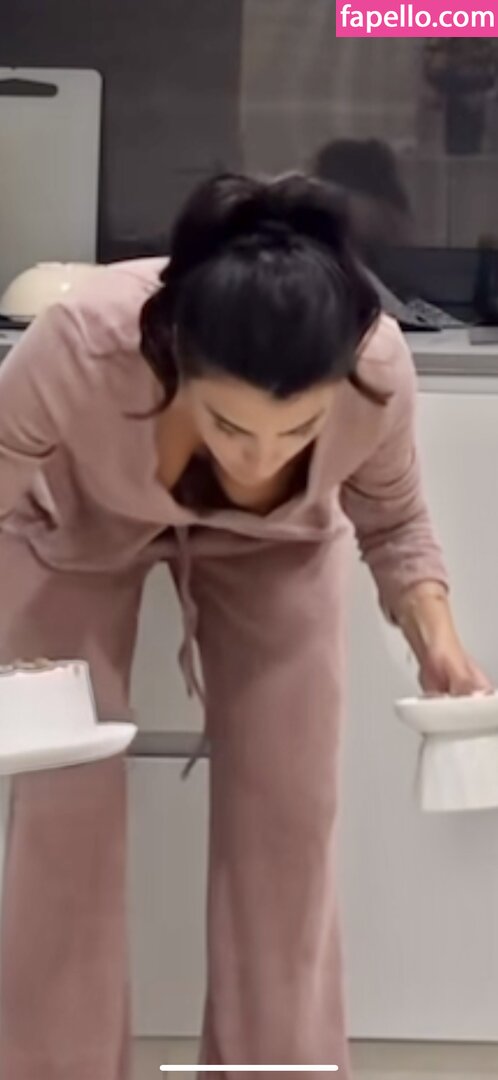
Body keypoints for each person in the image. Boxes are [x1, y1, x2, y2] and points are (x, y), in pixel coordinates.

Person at [0, 172, 489, 1080]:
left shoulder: (376, 368)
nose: (260, 460)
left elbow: (394, 523)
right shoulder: (82, 343)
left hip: (279, 549)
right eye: (229, 425)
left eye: (296, 432)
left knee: (289, 821)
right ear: (175, 359)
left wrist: (440, 643)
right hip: (77, 528)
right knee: (62, 813)